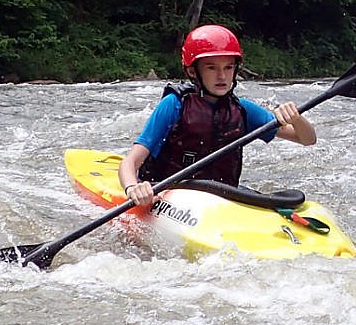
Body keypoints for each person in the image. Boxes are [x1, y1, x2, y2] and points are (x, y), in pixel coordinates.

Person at [118, 24, 316, 207]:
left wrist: (297, 118)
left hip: (221, 199)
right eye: (212, 67)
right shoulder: (174, 105)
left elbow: (307, 139)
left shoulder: (243, 110)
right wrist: (133, 188)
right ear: (193, 71)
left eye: (228, 67)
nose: (222, 76)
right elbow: (131, 162)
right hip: (169, 194)